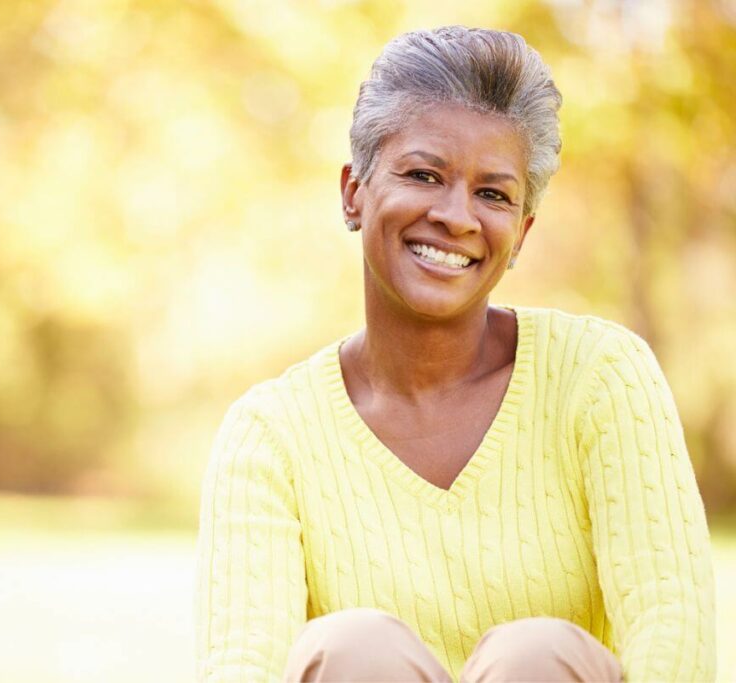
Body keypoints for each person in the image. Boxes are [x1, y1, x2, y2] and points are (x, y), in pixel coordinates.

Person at [193, 26, 716, 683]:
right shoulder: (269, 436)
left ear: (521, 231)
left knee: (536, 655)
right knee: (356, 648)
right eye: (423, 174)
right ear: (354, 190)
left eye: (493, 194)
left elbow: (674, 632)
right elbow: (241, 666)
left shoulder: (602, 374)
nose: (457, 216)